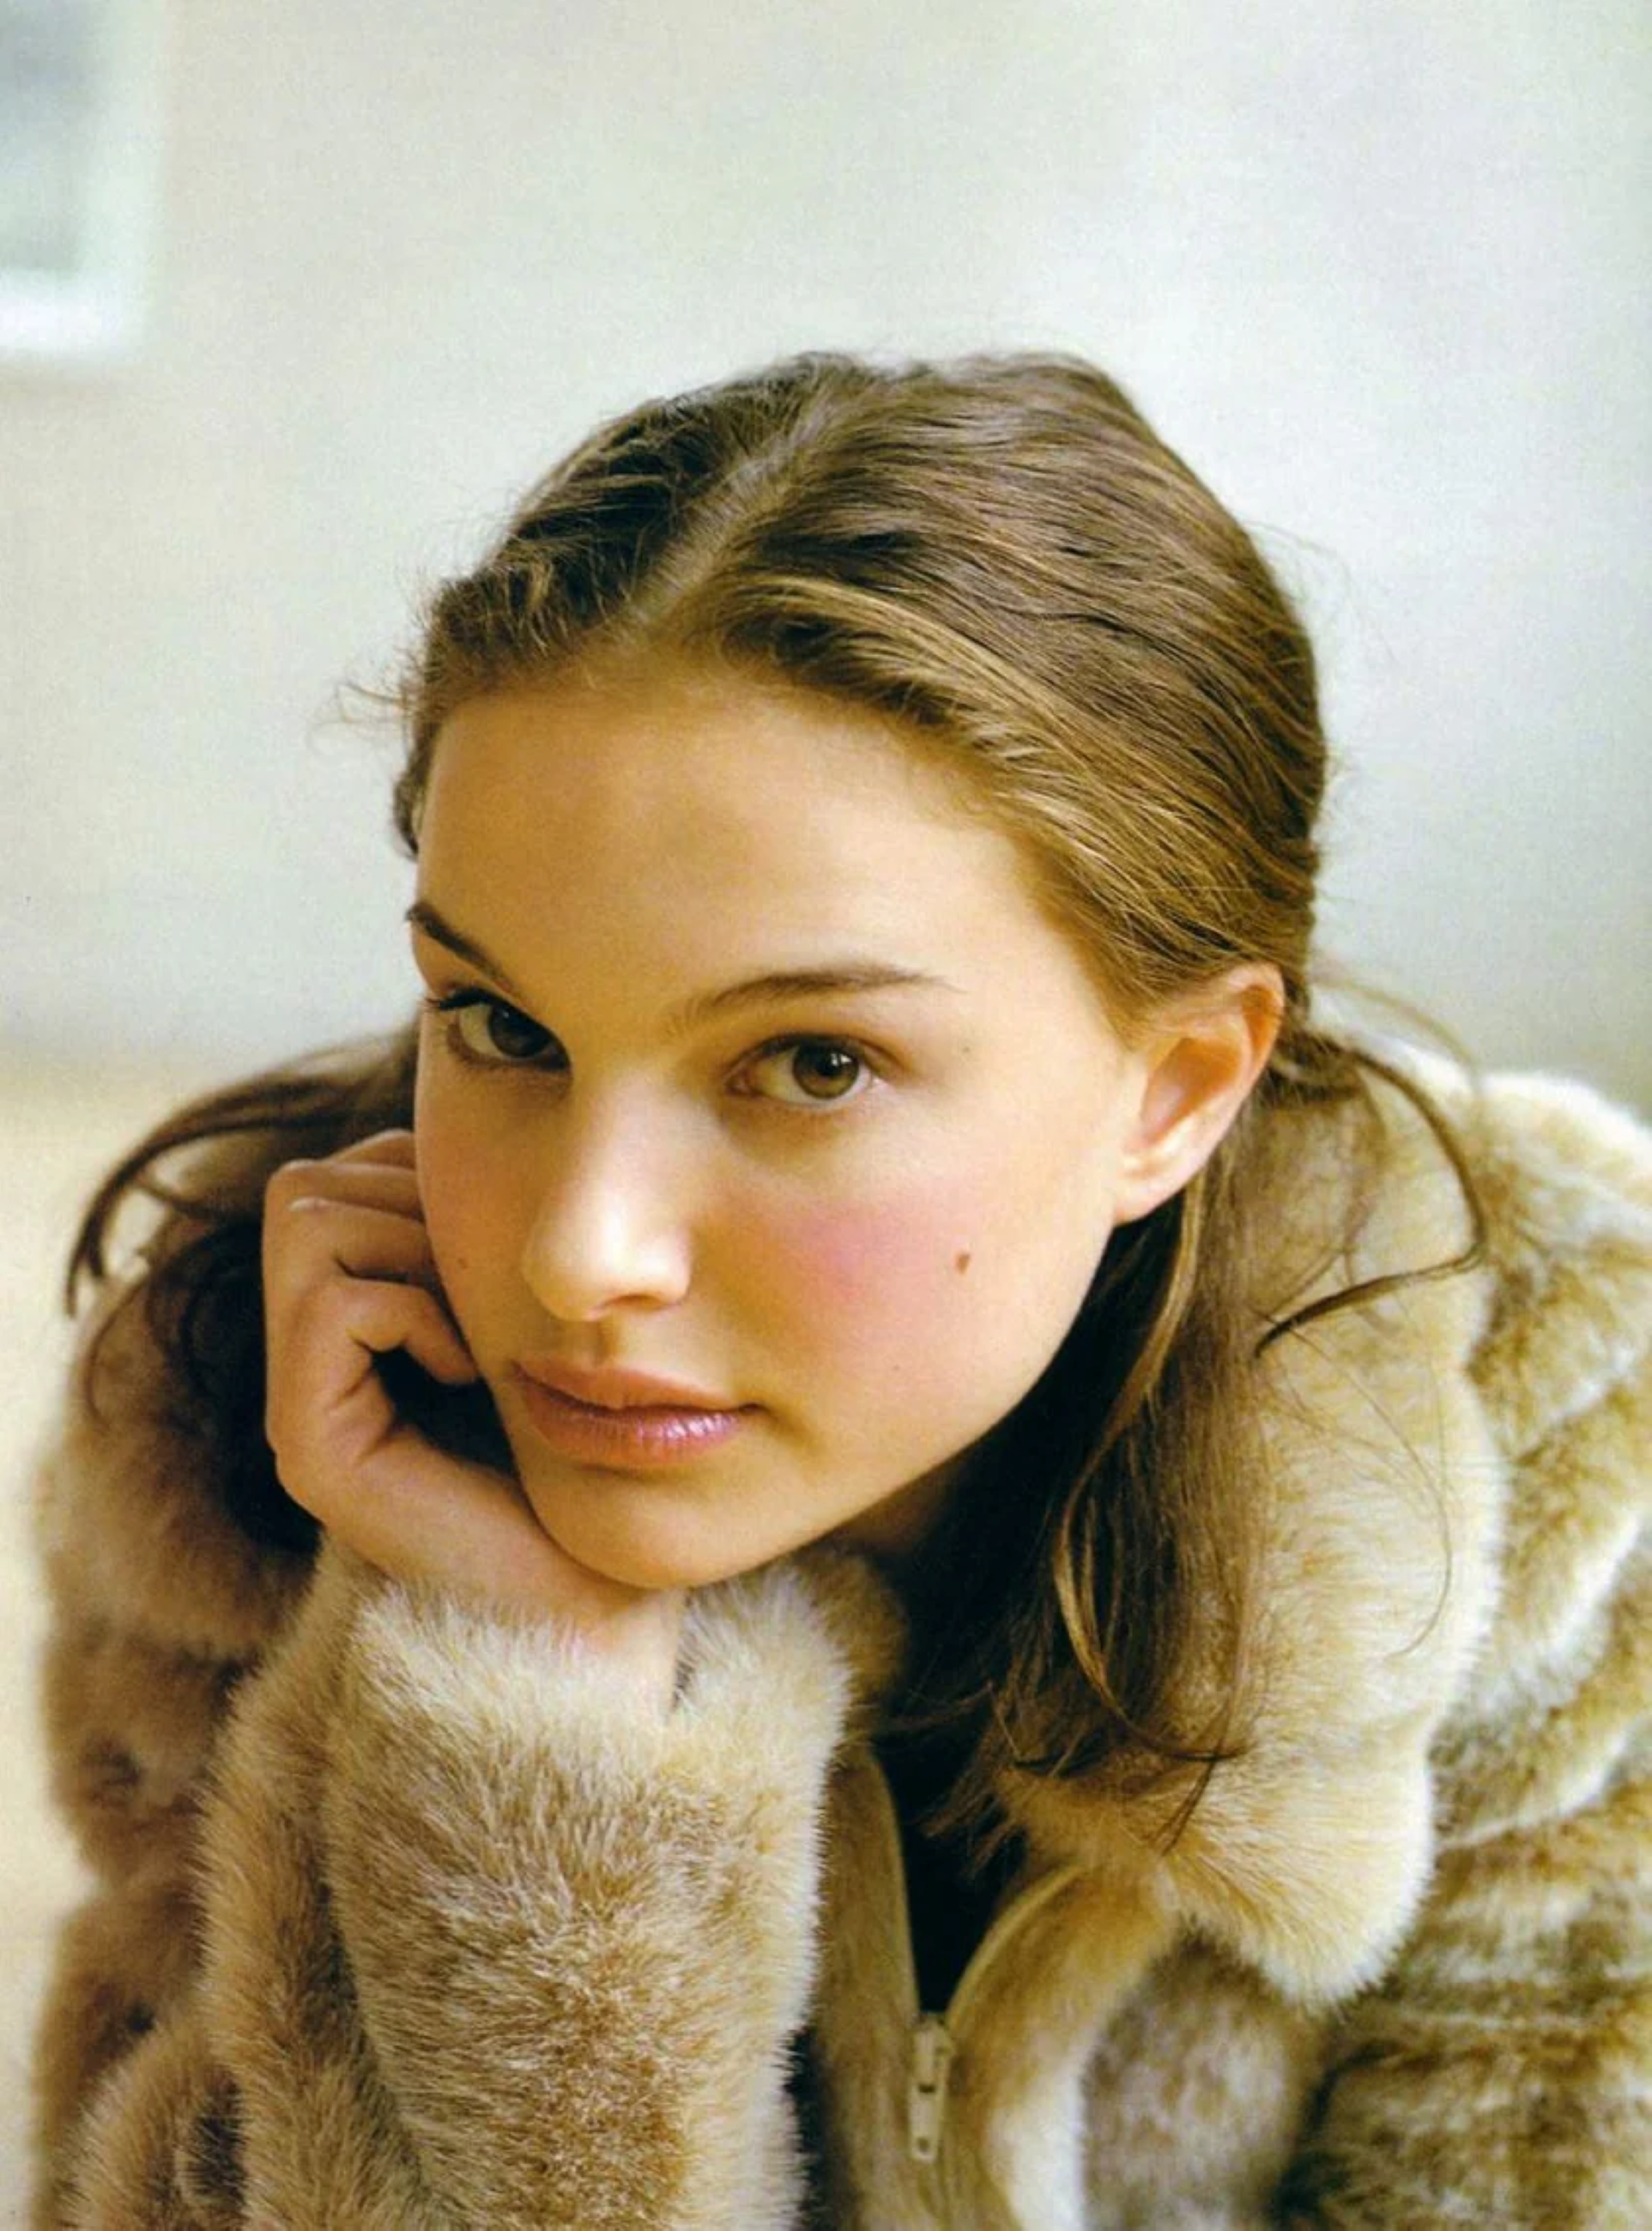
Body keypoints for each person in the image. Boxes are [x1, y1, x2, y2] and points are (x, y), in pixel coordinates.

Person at [29, 351, 1649, 2230]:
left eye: (811, 1064)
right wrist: (520, 1729)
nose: (577, 1253)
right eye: (502, 1025)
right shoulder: (255, 1412)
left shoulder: (1539, 1435)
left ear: (1175, 1089)